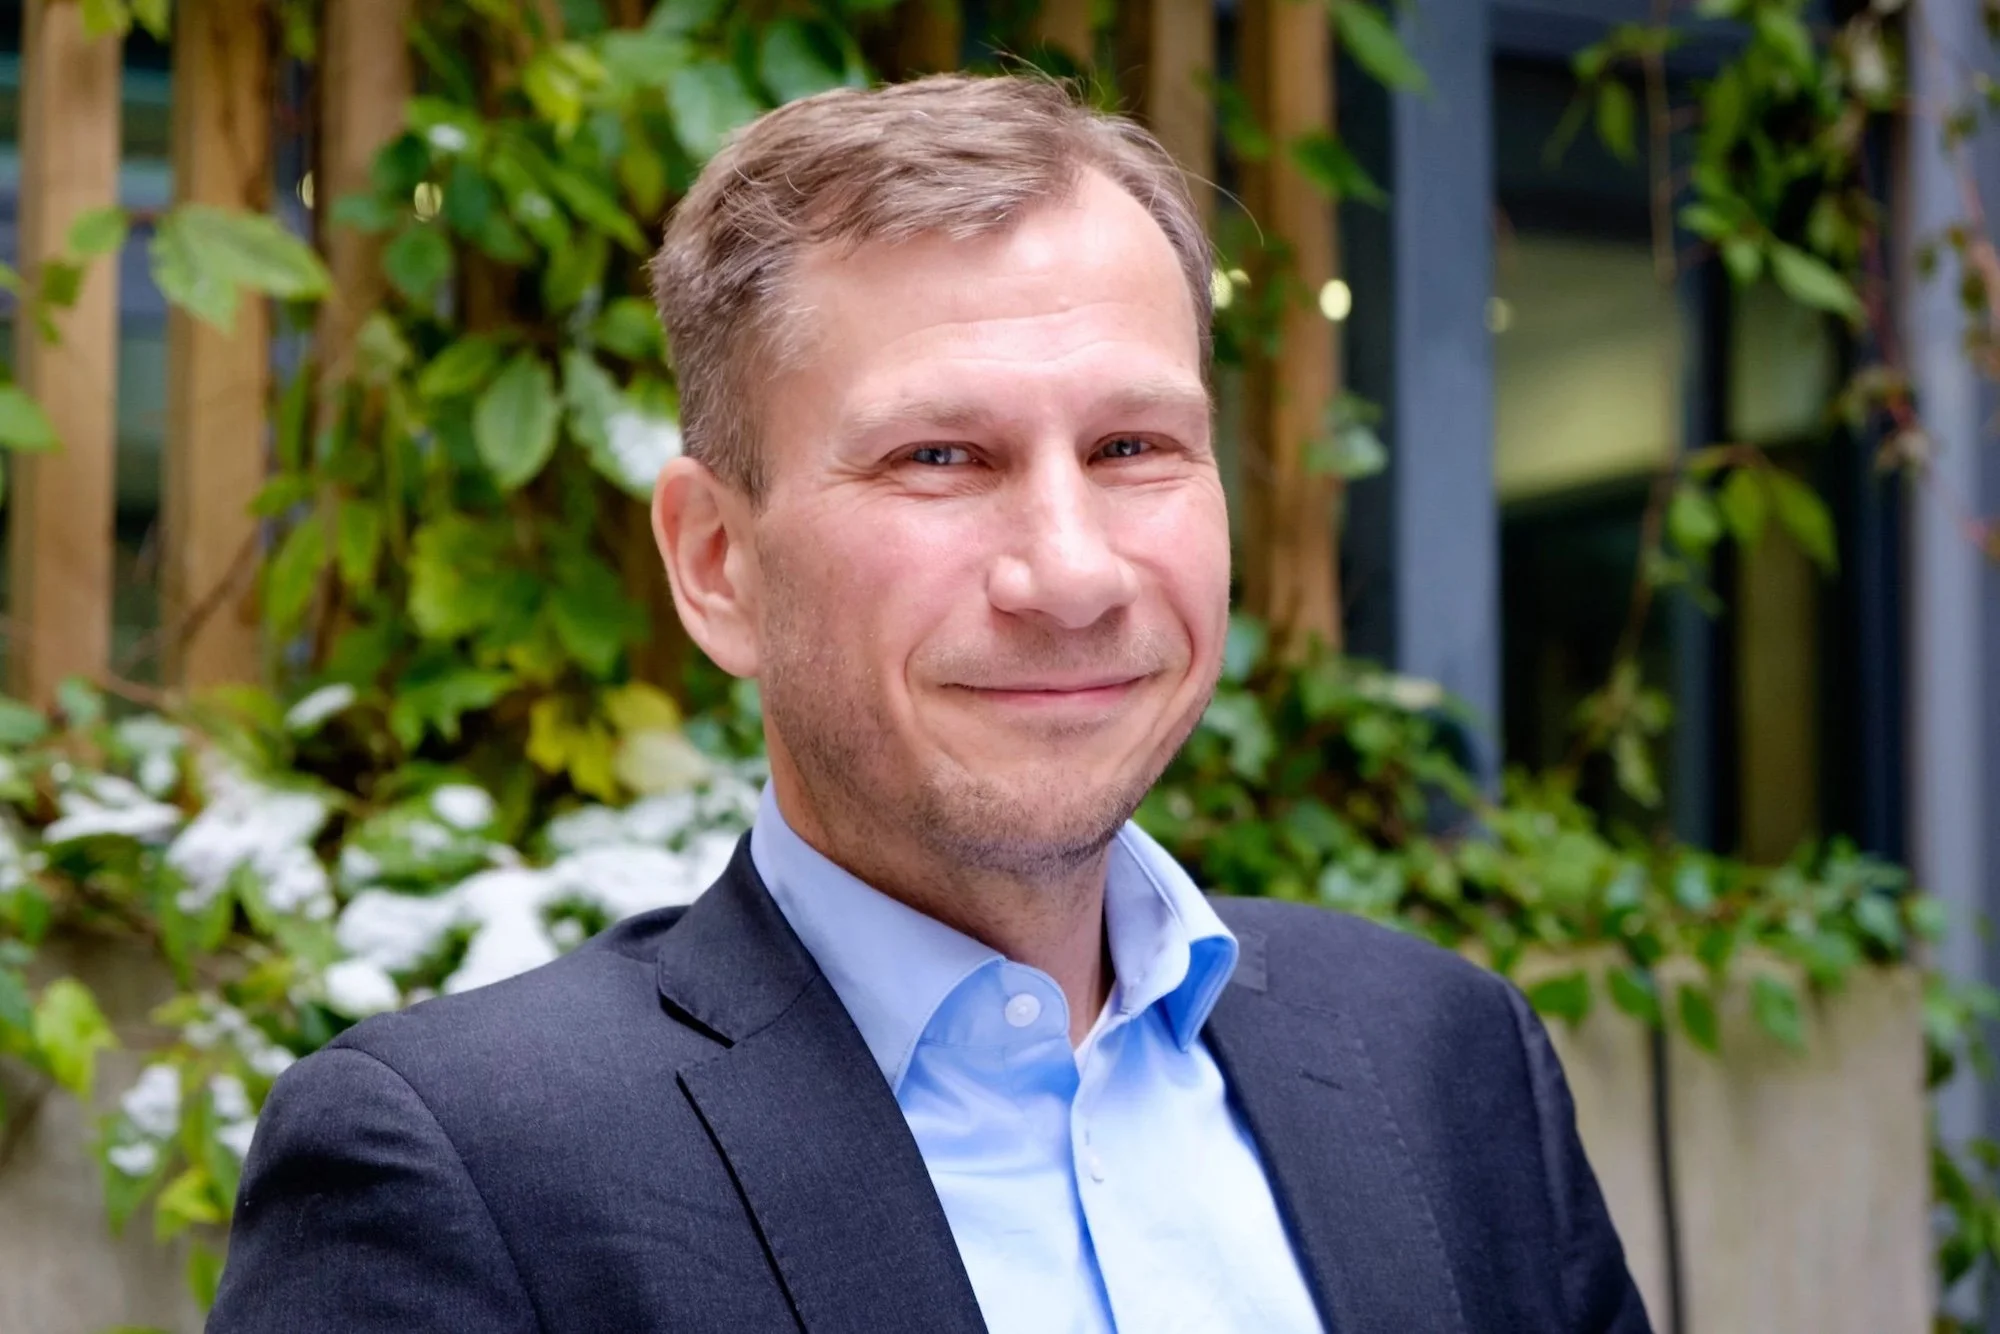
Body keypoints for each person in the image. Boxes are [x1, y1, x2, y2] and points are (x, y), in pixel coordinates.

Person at [209, 74, 1648, 1334]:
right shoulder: (466, 1171)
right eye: (940, 458)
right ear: (716, 564)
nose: (1070, 574)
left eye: (1133, 445)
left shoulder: (1445, 1060)